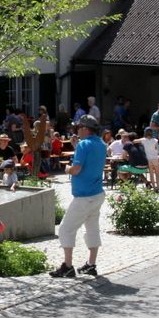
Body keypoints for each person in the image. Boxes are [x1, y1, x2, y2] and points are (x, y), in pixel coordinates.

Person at [53, 114, 107, 279]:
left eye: (78, 128)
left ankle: (68, 266)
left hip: (84, 196)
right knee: (92, 228)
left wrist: (67, 169)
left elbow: (76, 169)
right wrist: (77, 146)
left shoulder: (83, 145)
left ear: (85, 128)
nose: (77, 130)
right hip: (97, 193)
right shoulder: (102, 144)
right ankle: (91, 264)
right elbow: (91, 159)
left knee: (65, 229)